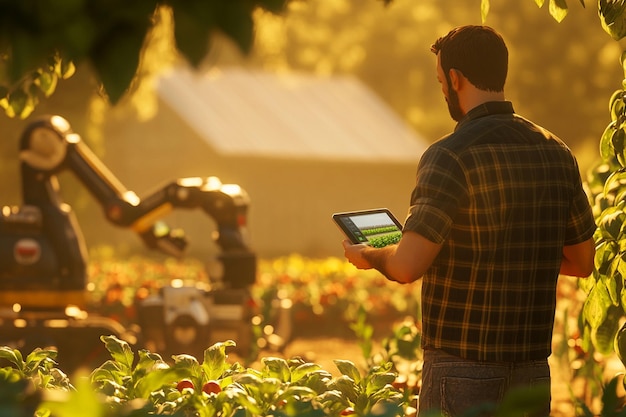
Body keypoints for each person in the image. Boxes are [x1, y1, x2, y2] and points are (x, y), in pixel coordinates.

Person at [342, 25, 596, 417]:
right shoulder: (557, 153)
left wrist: (370, 255)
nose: (442, 89)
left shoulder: (449, 155)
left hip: (460, 370)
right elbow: (581, 263)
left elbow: (407, 266)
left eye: (441, 81)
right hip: (532, 373)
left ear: (455, 80)